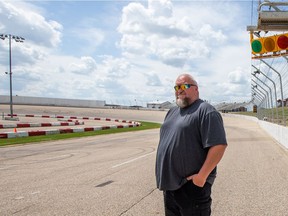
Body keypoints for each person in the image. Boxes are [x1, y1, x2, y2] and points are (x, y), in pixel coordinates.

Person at [155, 73, 227, 216]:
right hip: (170, 187)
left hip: (191, 187)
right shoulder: (172, 111)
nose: (179, 90)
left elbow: (219, 145)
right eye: (176, 87)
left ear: (196, 89)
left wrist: (201, 177)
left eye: (184, 86)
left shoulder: (206, 111)